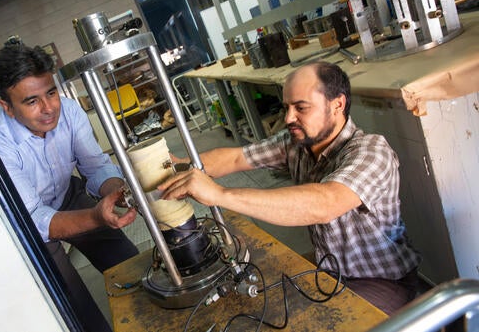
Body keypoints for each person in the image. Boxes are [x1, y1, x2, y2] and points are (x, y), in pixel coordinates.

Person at [159, 61, 421, 315]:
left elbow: (326, 203)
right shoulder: (297, 143)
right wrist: (180, 167)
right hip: (330, 268)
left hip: (384, 280)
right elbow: (237, 158)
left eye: (301, 108)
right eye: (286, 107)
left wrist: (219, 194)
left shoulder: (372, 151)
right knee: (264, 300)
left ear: (337, 104)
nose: (288, 117)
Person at [0, 43, 139, 331]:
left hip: (66, 193)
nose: (48, 108)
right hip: (25, 223)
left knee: (129, 265)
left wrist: (119, 191)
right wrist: (95, 216)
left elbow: (95, 165)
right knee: (72, 305)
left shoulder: (68, 110)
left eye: (50, 93)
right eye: (31, 101)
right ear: (7, 107)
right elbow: (35, 219)